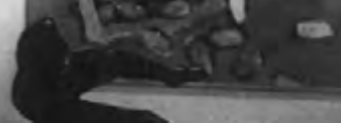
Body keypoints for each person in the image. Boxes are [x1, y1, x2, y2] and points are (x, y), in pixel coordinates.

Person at [12, 18, 206, 123]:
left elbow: (118, 62)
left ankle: (169, 76)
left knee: (112, 60)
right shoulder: (43, 102)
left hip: (53, 82)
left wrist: (170, 74)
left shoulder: (65, 59)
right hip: (47, 102)